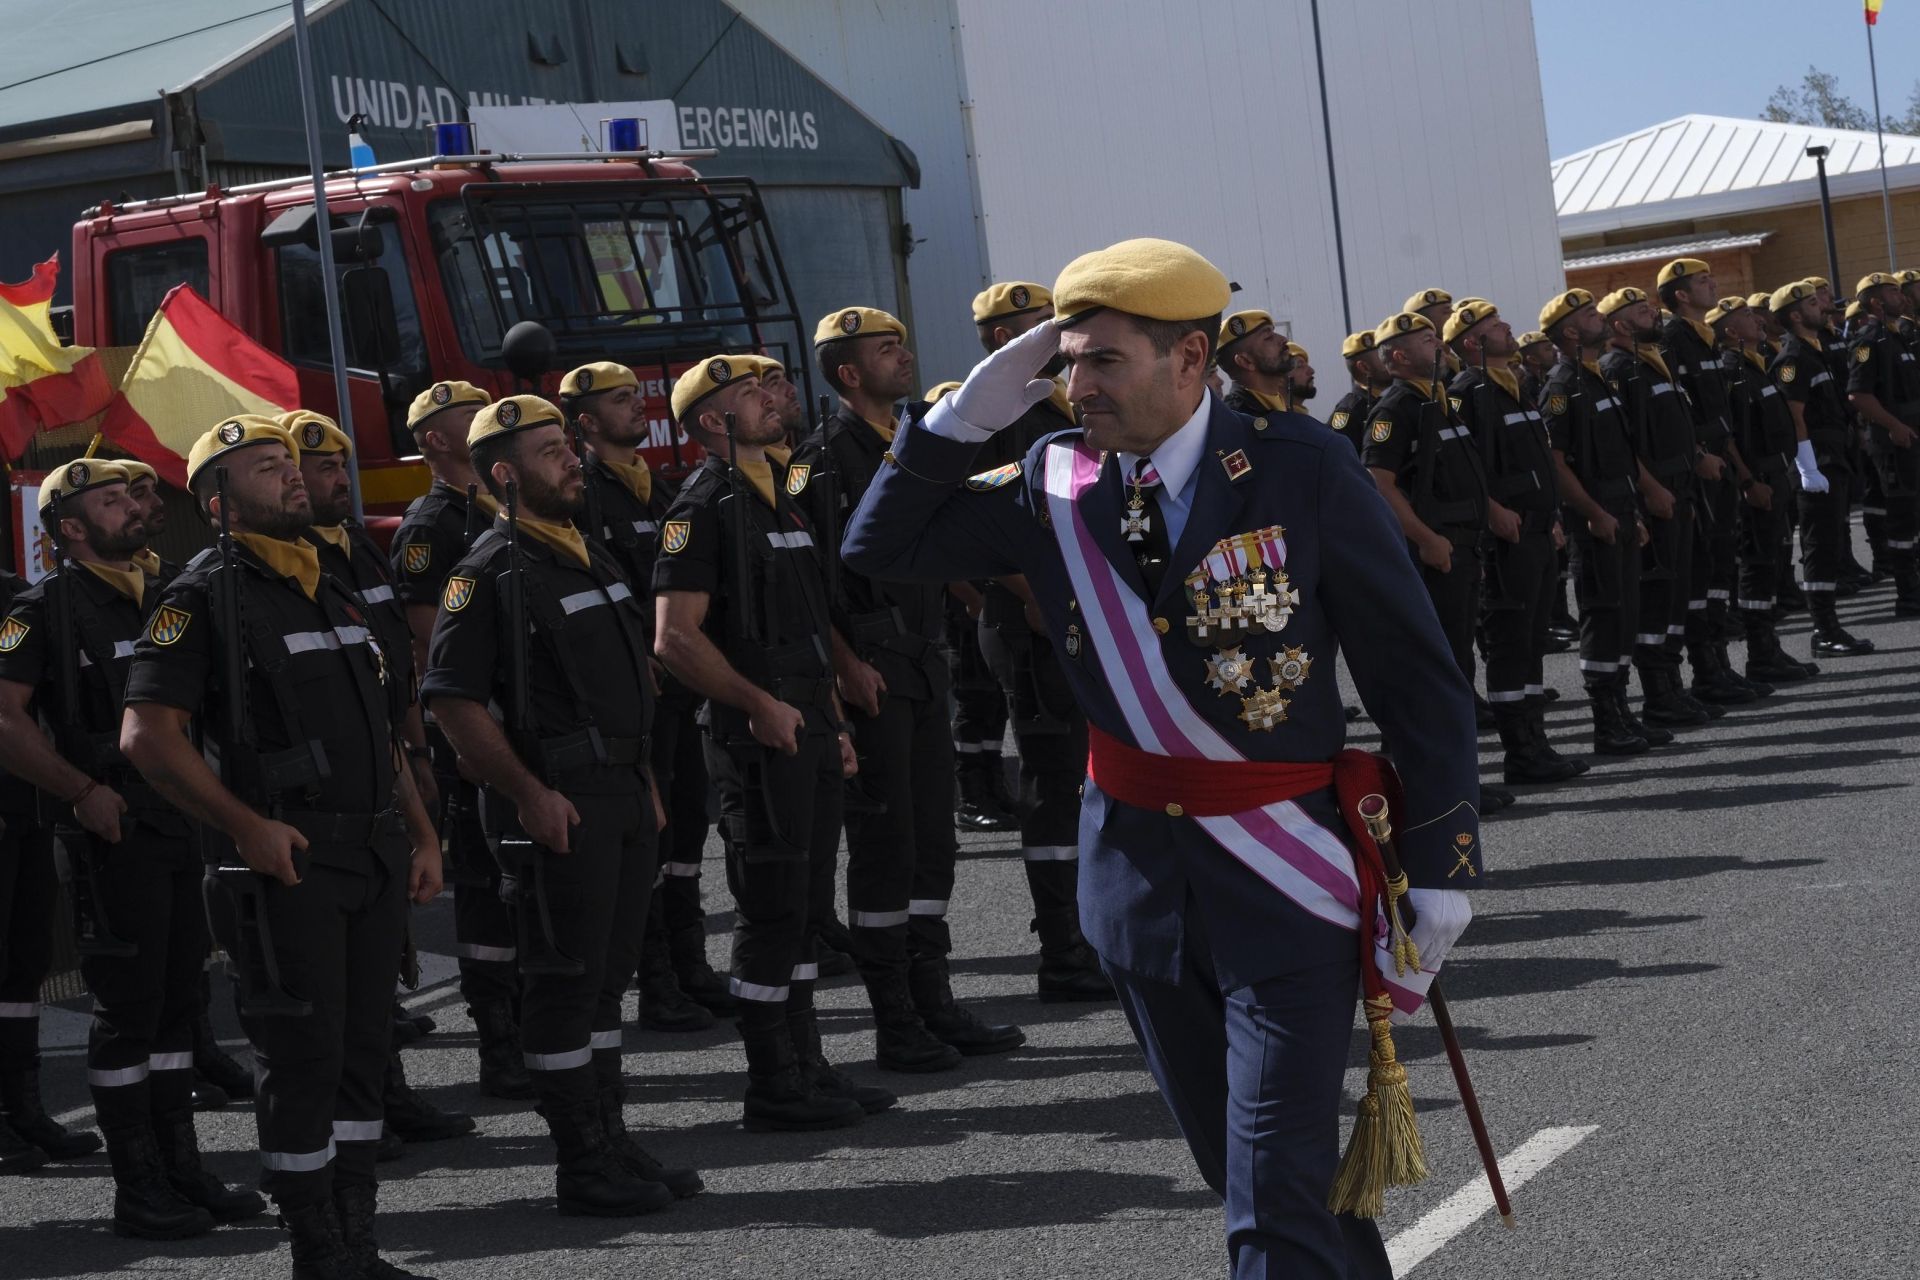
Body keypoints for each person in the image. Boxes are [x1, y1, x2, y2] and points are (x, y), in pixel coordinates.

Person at [841, 237, 1479, 1278]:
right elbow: (882, 547)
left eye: (1104, 361)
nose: (1076, 385)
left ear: (1190, 359)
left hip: (1287, 884)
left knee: (1269, 1201)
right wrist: (965, 418)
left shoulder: (1299, 467)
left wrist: (1446, 858)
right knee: (1258, 1180)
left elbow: (1415, 674)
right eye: (1068, 362)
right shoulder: (1051, 477)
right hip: (1139, 886)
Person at [121, 416, 442, 1279]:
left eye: (291, 463)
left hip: (369, 856)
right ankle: (316, 1250)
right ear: (218, 500)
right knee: (304, 1060)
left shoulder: (326, 583)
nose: (294, 476)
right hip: (286, 868)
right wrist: (243, 826)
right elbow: (149, 738)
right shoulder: (196, 598)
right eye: (268, 468)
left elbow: (381, 731)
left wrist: (418, 833)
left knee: (364, 1055)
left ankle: (358, 1244)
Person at [423, 394, 700, 1216]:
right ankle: (581, 1161)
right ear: (504, 474)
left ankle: (611, 1139)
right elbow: (452, 702)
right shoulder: (485, 573)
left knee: (607, 984)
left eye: (566, 444)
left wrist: (645, 779)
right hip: (557, 802)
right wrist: (528, 794)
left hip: (618, 792)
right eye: (549, 451)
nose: (571, 457)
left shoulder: (587, 553)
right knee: (564, 984)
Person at [0, 461, 261, 1236]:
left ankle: (182, 1167)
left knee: (183, 998)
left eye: (130, 495)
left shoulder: (173, 590)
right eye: (109, 502)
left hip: (184, 819)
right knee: (130, 1008)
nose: (132, 508)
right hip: (111, 830)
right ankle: (137, 1184)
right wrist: (80, 790)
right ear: (71, 530)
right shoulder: (39, 608)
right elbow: (6, 718)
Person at [652, 357, 885, 1129]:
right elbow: (674, 638)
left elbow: (808, 628)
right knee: (770, 906)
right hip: (757, 734)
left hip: (809, 724)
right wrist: (756, 705)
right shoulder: (703, 507)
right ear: (713, 422)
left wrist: (835, 723)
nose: (768, 398)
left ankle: (810, 1066)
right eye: (748, 394)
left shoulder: (777, 499)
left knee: (808, 905)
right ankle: (772, 1081)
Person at [799, 309, 1027, 1059]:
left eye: (903, 342)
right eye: (885, 350)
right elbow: (810, 581)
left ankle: (935, 1000)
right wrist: (841, 665)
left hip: (925, 662)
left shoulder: (914, 444)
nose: (906, 357)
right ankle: (894, 1018)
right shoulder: (825, 457)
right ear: (849, 374)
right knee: (885, 842)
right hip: (872, 670)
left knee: (933, 840)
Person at [287, 411, 477, 1152]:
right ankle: (354, 1113)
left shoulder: (356, 550)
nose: (338, 477)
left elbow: (390, 661)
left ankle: (387, 1093)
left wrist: (417, 753)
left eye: (340, 463)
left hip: (389, 763)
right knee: (336, 975)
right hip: (327, 796)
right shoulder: (296, 565)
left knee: (381, 961)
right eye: (319, 467)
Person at [557, 360, 729, 1032]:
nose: (639, 408)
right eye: (621, 401)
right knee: (653, 842)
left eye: (637, 396)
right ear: (587, 421)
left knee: (688, 829)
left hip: (680, 694)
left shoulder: (654, 489)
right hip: (638, 695)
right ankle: (656, 984)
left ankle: (690, 966)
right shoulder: (585, 493)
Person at [966, 282, 1112, 1002]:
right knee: (1054, 787)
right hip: (1033, 628)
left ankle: (1094, 931)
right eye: (1033, 327)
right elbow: (986, 537)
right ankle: (1063, 951)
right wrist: (1051, 600)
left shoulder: (1060, 410)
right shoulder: (995, 418)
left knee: (1095, 779)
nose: (1053, 338)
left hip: (1078, 619)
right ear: (1000, 341)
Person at [390, 381, 535, 1103]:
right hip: (477, 723)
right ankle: (499, 1040)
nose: (478, 416)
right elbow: (429, 642)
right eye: (459, 414)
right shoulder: (431, 525)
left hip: (533, 719)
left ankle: (541, 1025)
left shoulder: (510, 506)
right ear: (434, 441)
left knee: (529, 875)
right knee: (482, 885)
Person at [1360, 310, 1514, 813]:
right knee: (1438, 671)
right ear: (1400, 356)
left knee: (1458, 666)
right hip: (1436, 555)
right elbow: (1380, 485)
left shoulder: (1439, 402)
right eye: (1427, 340)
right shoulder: (1397, 408)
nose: (1439, 345)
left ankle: (1459, 782)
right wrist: (1426, 538)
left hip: (1462, 547)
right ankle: (1441, 790)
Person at [1442, 301, 1583, 784]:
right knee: (1510, 642)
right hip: (1506, 538)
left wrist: (1554, 517)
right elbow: (1465, 466)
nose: (1507, 329)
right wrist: (1492, 509)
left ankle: (1536, 741)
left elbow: (1539, 462)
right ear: (1471, 343)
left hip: (1538, 531)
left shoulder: (1514, 386)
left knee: (1532, 643)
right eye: (1495, 327)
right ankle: (1519, 751)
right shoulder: (1467, 392)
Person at [1538, 288, 1663, 755]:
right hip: (1594, 519)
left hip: (1621, 510)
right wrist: (1593, 513)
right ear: (1571, 331)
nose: (1599, 319)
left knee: (1625, 613)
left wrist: (1634, 510)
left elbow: (1620, 455)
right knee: (1603, 613)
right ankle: (1606, 720)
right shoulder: (1561, 386)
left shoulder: (1593, 378)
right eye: (1590, 315)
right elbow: (1556, 461)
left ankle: (1623, 709)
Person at [1595, 287, 1721, 727]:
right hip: (1657, 494)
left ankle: (1673, 686)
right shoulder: (1618, 370)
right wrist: (1650, 490)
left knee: (1676, 591)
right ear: (1619, 325)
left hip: (1681, 486)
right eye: (1640, 311)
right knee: (1657, 593)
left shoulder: (1651, 361)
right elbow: (1624, 443)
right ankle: (1658, 693)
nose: (1653, 314)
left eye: (1650, 307)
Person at [1654, 259, 1770, 704]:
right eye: (1702, 282)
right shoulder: (1672, 340)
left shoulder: (1704, 340)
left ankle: (1720, 664)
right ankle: (1705, 669)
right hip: (1697, 471)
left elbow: (1719, 420)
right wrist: (1699, 456)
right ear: (1680, 295)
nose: (1713, 285)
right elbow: (1675, 418)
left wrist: (1738, 470)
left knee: (1721, 567)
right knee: (1701, 570)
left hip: (1721, 467)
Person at [1710, 296, 1819, 682]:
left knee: (1771, 564)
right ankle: (1760, 653)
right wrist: (1747, 481)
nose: (1756, 320)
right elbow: (1728, 436)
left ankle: (1769, 646)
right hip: (1756, 481)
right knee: (1756, 567)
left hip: (1776, 474)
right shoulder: (1731, 370)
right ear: (1729, 331)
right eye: (1745, 316)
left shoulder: (1756, 366)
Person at [1769, 282, 1876, 656]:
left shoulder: (1814, 353)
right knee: (1818, 546)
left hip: (1834, 456)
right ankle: (1824, 631)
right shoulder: (1793, 358)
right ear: (1796, 315)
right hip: (1817, 461)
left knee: (1829, 545)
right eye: (1813, 303)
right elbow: (1793, 416)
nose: (1823, 308)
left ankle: (1830, 628)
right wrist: (1806, 467)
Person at [1843, 274, 1920, 617]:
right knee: (1902, 517)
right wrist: (1894, 426)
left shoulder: (1895, 336)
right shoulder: (1869, 340)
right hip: (1892, 441)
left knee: (1914, 515)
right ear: (1875, 301)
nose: (1899, 295)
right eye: (1892, 291)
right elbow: (1858, 394)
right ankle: (1907, 594)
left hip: (1909, 436)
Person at [1218, 310, 1294, 417]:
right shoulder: (1234, 421)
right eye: (1268, 338)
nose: (1284, 339)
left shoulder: (1278, 403)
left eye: (1273, 332)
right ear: (1246, 361)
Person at [1327, 331, 1386, 454]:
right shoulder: (1349, 411)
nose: (1388, 360)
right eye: (1382, 357)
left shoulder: (1389, 399)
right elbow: (1338, 457)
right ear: (1364, 367)